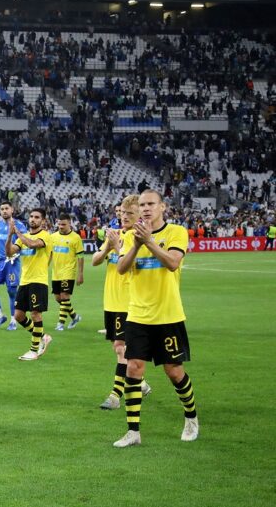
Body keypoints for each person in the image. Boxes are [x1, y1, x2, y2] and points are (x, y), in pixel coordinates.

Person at [113, 190, 199, 447]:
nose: (146, 208)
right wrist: (137, 244)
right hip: (137, 314)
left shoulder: (176, 232)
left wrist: (149, 242)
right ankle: (133, 432)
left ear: (163, 206)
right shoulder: (130, 236)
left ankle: (191, 417)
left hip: (167, 315)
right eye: (142, 205)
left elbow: (173, 263)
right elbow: (121, 268)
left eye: (151, 203)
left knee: (174, 372)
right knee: (133, 368)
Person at [91, 196, 151, 410]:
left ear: (139, 215)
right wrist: (108, 247)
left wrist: (117, 247)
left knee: (120, 348)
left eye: (130, 213)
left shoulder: (140, 237)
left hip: (129, 301)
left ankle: (115, 396)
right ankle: (141, 384)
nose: (124, 217)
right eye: (123, 213)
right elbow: (95, 260)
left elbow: (129, 265)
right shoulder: (116, 235)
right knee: (119, 348)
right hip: (111, 301)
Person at [6, 208, 53, 361]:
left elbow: (32, 244)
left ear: (43, 221)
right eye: (31, 216)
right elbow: (9, 252)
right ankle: (43, 336)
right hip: (24, 281)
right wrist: (10, 235)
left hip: (38, 281)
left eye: (37, 217)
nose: (33, 219)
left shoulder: (45, 236)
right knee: (18, 315)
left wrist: (18, 233)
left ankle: (34, 350)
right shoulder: (22, 238)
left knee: (35, 314)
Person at [0, 201, 27, 331]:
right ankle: (0, 316)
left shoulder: (19, 225)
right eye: (2, 209)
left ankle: (13, 321)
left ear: (12, 210)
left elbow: (24, 242)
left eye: (6, 208)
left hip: (12, 263)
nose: (4, 211)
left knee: (12, 291)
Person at [50, 213, 84, 332]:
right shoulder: (53, 237)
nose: (61, 226)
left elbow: (80, 256)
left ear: (70, 223)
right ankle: (74, 316)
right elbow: (50, 253)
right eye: (59, 224)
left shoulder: (76, 238)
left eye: (63, 224)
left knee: (64, 296)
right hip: (56, 272)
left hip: (68, 271)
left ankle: (60, 323)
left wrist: (80, 274)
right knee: (58, 298)